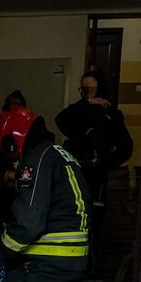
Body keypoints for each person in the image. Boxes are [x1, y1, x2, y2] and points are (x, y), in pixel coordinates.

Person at [0, 107, 102, 282]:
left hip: (51, 260)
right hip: (72, 257)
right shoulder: (58, 154)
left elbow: (27, 225)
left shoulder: (36, 158)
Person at [54, 70, 132, 241]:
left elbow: (126, 148)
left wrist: (103, 162)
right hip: (73, 176)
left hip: (97, 179)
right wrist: (86, 103)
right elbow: (60, 120)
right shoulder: (78, 112)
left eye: (90, 89)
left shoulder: (112, 115)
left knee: (94, 226)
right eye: (83, 89)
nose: (86, 93)